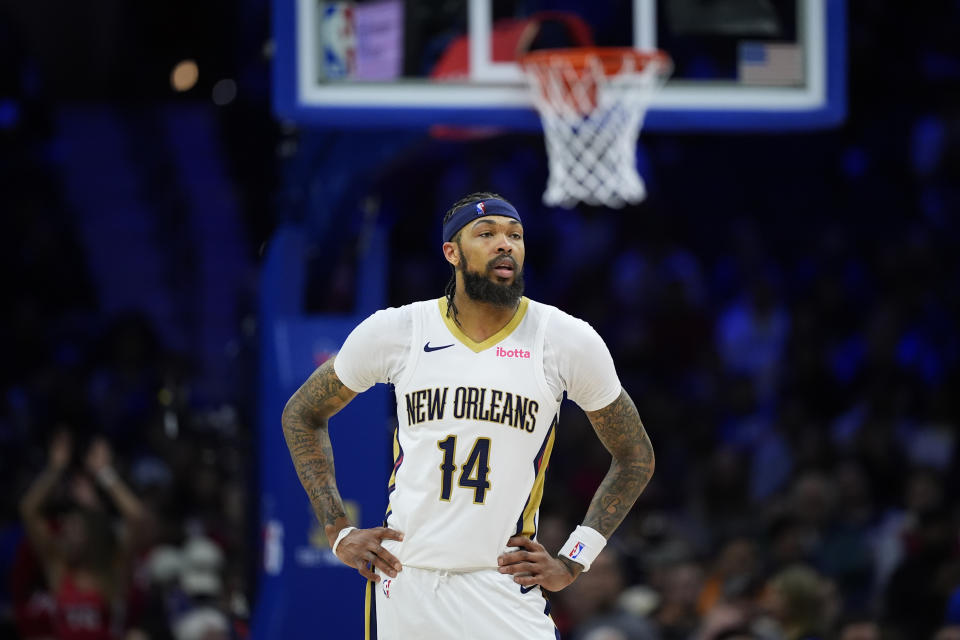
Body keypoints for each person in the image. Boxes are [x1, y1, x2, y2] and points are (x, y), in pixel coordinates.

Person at [282, 192, 655, 639]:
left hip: (502, 581)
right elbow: (301, 413)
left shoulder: (566, 340)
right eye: (487, 234)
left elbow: (636, 456)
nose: (506, 244)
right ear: (451, 252)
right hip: (406, 579)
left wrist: (574, 557)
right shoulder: (399, 330)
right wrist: (338, 530)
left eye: (514, 235)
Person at [19, 430, 148, 640]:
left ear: (92, 534)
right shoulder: (59, 571)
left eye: (74, 530)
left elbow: (136, 517)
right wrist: (54, 469)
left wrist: (105, 473)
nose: (67, 536)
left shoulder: (113, 573)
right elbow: (28, 510)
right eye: (66, 531)